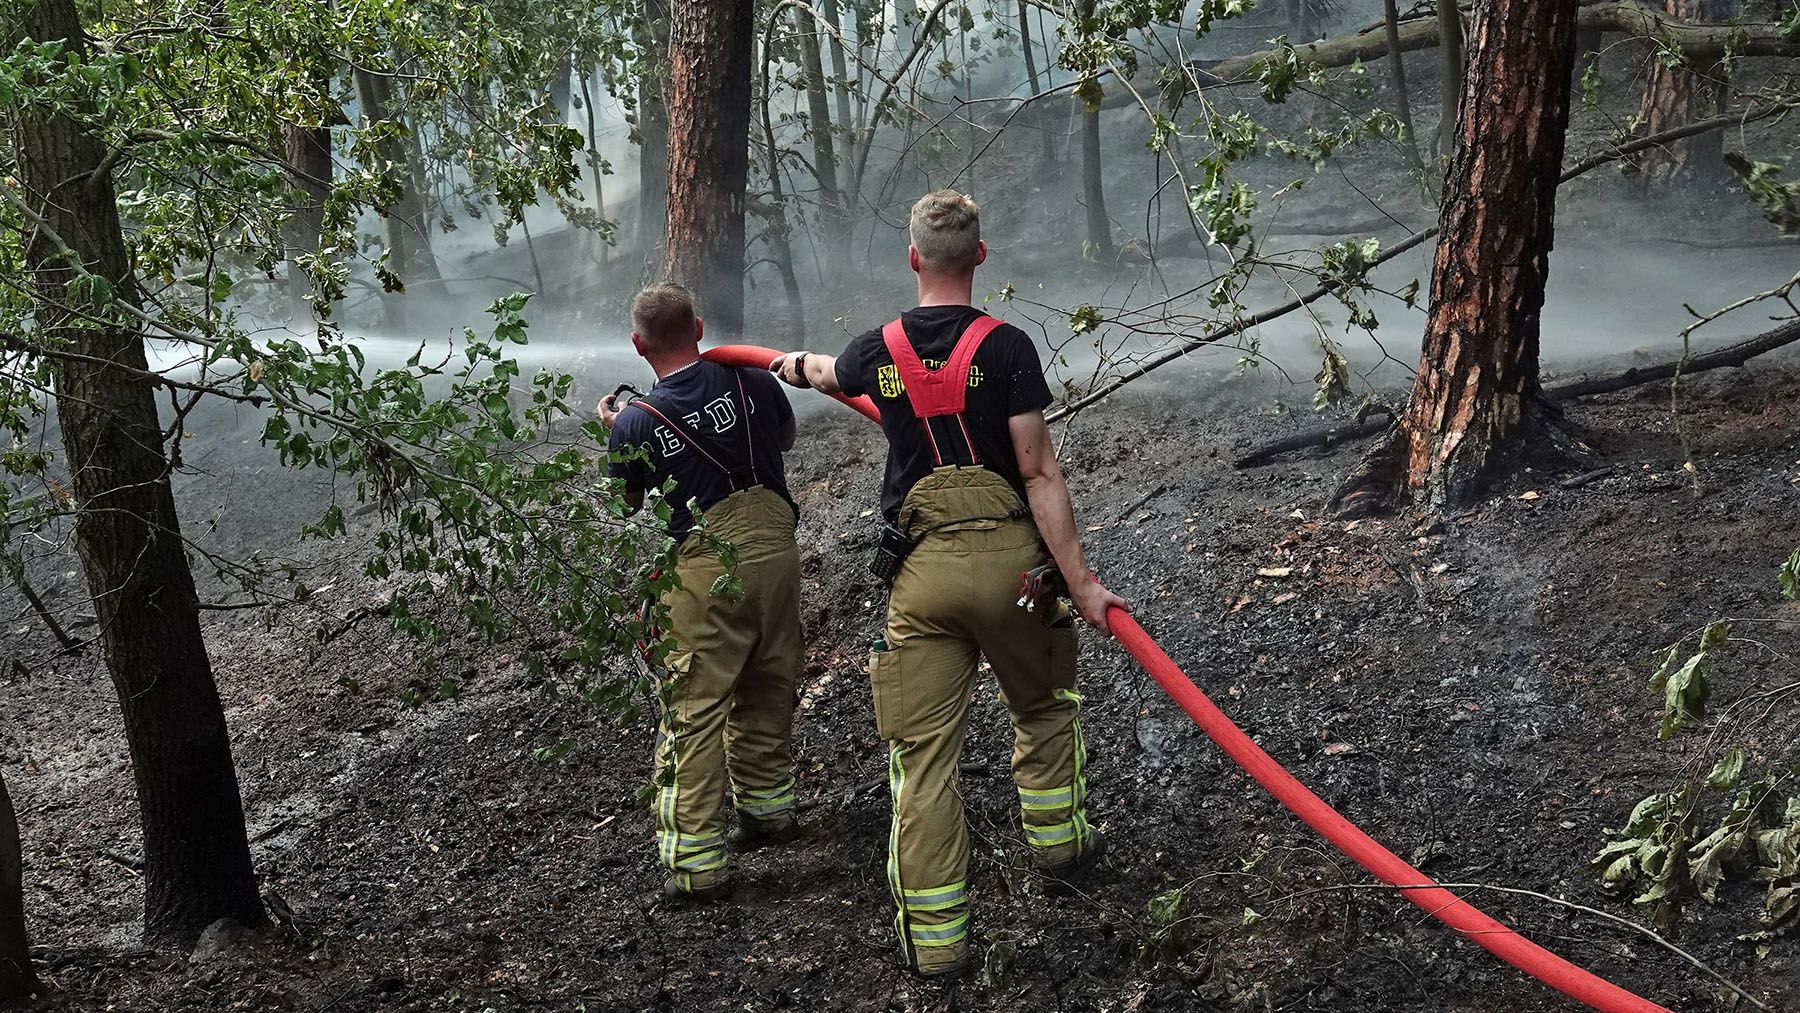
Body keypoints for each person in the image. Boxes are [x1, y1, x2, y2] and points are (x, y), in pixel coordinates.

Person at [770, 191, 1129, 977]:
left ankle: (936, 951)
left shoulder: (880, 350)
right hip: (1014, 575)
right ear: (981, 258)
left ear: (912, 261)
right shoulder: (1008, 349)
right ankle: (1062, 848)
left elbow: (832, 372)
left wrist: (784, 365)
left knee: (923, 760)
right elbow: (1038, 472)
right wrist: (1085, 583)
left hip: (922, 578)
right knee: (1043, 706)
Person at [599, 282, 804, 903]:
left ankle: (696, 864)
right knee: (770, 681)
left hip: (705, 568)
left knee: (694, 707)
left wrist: (614, 433)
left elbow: (627, 503)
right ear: (699, 324)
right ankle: (769, 812)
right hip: (777, 555)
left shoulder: (635, 420)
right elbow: (785, 442)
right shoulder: (756, 382)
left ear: (638, 344)